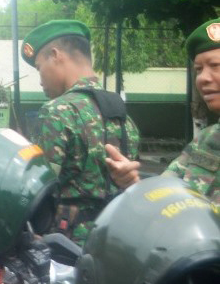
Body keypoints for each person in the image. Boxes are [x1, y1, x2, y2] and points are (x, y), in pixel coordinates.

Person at [21, 19, 141, 242]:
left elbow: (34, 191)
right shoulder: (123, 117)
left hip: (63, 246)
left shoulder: (57, 112)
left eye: (39, 68)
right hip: (115, 239)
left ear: (56, 55)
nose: (40, 81)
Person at [108, 16, 220, 204]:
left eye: (215, 66)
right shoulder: (207, 139)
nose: (202, 79)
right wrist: (133, 183)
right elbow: (167, 195)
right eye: (199, 69)